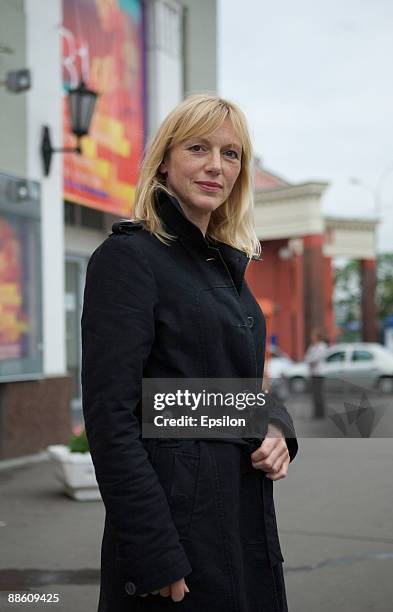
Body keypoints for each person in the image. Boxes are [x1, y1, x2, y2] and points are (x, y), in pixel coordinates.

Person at [81, 94, 298, 612]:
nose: (214, 166)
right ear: (164, 160)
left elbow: (234, 389)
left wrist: (276, 427)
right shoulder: (129, 259)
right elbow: (112, 419)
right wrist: (154, 552)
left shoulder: (227, 268)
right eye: (198, 148)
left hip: (241, 517)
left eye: (230, 153)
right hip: (175, 534)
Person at [304, 328, 328, 418]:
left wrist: (310, 360)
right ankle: (316, 413)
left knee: (319, 394)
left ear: (318, 337)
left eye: (313, 336)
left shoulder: (322, 346)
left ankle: (321, 414)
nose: (311, 337)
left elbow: (316, 359)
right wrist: (310, 360)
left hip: (319, 373)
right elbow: (307, 358)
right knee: (314, 394)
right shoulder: (312, 346)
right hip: (313, 373)